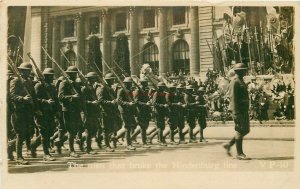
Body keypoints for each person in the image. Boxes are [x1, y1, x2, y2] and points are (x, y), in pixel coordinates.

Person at [10, 62, 37, 165]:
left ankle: (9, 147)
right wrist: (23, 99)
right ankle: (19, 157)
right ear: (21, 71)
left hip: (28, 111)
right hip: (19, 111)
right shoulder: (15, 80)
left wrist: (36, 109)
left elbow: (33, 96)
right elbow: (12, 95)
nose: (28, 72)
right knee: (20, 134)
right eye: (26, 71)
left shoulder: (29, 81)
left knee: (27, 133)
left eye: (29, 70)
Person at [223, 63, 251, 160]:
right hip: (238, 110)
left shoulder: (241, 81)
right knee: (240, 130)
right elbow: (233, 98)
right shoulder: (234, 82)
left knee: (246, 130)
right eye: (243, 70)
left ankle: (229, 145)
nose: (245, 71)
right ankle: (239, 153)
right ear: (238, 71)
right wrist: (235, 112)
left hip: (243, 110)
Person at [58, 66, 83, 158]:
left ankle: (59, 142)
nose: (74, 75)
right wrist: (72, 97)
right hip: (68, 110)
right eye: (72, 74)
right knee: (71, 130)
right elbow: (60, 97)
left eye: (75, 74)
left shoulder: (75, 84)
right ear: (68, 74)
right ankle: (72, 150)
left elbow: (80, 96)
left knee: (79, 128)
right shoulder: (63, 83)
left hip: (76, 109)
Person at [33, 68, 58, 161]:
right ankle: (46, 154)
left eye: (52, 76)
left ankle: (33, 145)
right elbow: (35, 99)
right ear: (46, 76)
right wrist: (46, 101)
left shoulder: (52, 86)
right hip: (41, 112)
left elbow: (56, 99)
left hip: (50, 112)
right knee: (44, 132)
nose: (52, 77)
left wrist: (57, 111)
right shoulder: (38, 86)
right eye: (50, 76)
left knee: (50, 131)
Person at [96, 73, 119, 152]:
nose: (114, 81)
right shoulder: (102, 88)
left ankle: (99, 139)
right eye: (112, 79)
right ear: (108, 80)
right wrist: (110, 102)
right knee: (105, 129)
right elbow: (100, 100)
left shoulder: (110, 88)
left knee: (111, 128)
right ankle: (107, 146)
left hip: (111, 111)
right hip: (104, 111)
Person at [81, 72, 101, 154]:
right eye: (93, 78)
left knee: (94, 129)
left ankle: (82, 141)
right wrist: (91, 102)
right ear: (89, 79)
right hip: (87, 111)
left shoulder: (92, 87)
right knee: (89, 130)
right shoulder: (84, 88)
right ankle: (88, 149)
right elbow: (82, 101)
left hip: (93, 111)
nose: (95, 80)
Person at [117, 77, 136, 150]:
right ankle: (128, 144)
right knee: (127, 127)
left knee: (130, 126)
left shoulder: (129, 90)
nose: (131, 84)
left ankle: (115, 138)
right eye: (129, 83)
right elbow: (119, 101)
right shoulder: (121, 90)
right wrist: (128, 104)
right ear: (126, 83)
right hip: (124, 110)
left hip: (129, 110)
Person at [132, 78, 152, 148]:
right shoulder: (138, 90)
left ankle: (132, 137)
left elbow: (146, 99)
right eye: (146, 82)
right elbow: (136, 101)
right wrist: (145, 104)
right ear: (143, 83)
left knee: (144, 126)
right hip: (140, 111)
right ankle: (144, 143)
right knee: (143, 126)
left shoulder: (145, 90)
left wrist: (149, 102)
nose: (147, 83)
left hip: (145, 110)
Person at [152, 82, 168, 146]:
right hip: (158, 112)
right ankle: (160, 141)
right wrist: (163, 105)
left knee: (162, 127)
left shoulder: (163, 93)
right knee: (160, 127)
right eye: (162, 87)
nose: (164, 88)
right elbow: (154, 103)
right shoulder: (156, 93)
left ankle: (158, 138)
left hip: (162, 112)